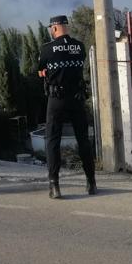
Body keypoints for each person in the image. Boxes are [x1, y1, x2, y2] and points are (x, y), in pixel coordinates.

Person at [39, 15, 96, 199]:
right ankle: (91, 182)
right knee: (83, 140)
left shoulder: (47, 49)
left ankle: (54, 185)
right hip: (77, 98)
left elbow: (42, 72)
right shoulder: (79, 46)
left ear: (54, 28)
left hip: (57, 99)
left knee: (52, 141)